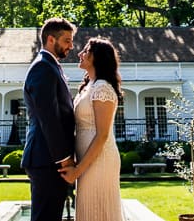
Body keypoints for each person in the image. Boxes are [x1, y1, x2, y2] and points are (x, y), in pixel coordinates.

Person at [59, 37, 124, 221]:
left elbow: (102, 135)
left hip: (100, 161)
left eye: (85, 51)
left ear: (97, 57)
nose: (79, 54)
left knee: (98, 212)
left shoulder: (102, 88)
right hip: (87, 162)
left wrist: (77, 171)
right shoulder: (89, 87)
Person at [23, 17, 77, 221]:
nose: (71, 46)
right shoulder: (42, 67)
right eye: (67, 40)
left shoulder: (51, 66)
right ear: (51, 40)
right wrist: (64, 159)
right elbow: (49, 118)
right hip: (46, 160)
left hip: (49, 159)